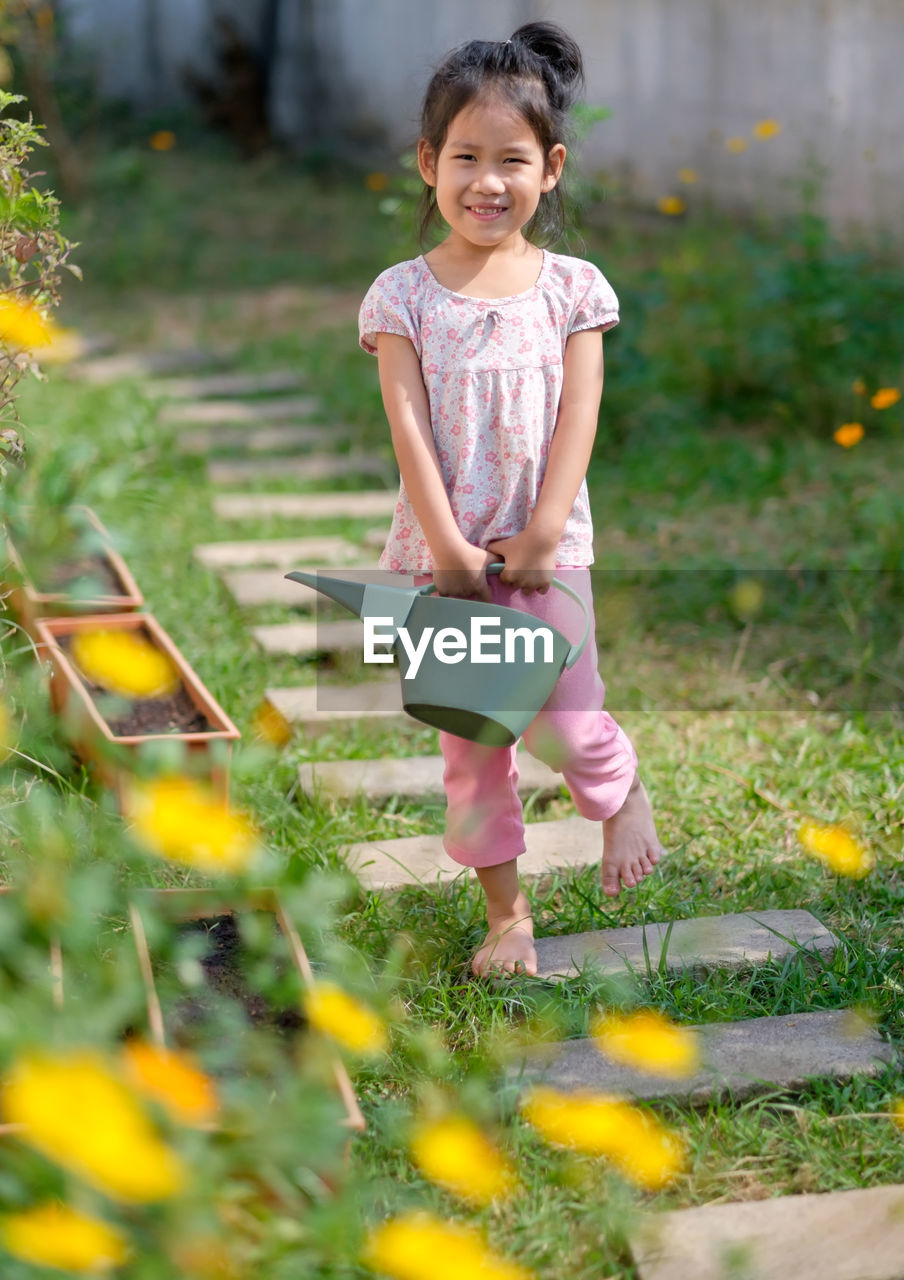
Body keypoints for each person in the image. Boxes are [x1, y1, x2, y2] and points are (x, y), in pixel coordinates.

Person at [358, 20, 663, 977]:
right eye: (466, 157)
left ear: (553, 168)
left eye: (512, 160)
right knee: (476, 748)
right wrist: (445, 546)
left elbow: (581, 417)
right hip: (439, 558)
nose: (488, 181)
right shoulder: (400, 298)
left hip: (547, 547)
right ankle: (507, 917)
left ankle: (619, 789)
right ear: (426, 163)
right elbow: (408, 429)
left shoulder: (574, 291)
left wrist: (540, 530)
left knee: (567, 720)